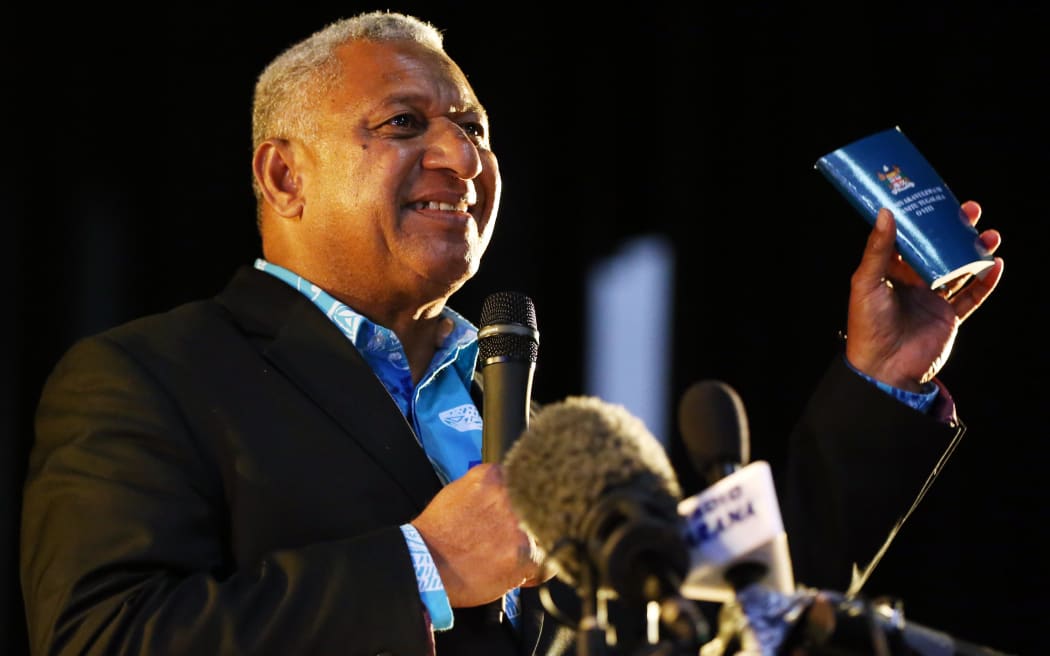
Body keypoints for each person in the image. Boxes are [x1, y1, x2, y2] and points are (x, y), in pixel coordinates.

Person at [19, 9, 1003, 656]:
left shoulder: (539, 422)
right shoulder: (149, 375)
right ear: (284, 177)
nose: (463, 155)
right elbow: (102, 635)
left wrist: (881, 380)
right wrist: (427, 566)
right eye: (406, 125)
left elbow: (738, 613)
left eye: (475, 128)